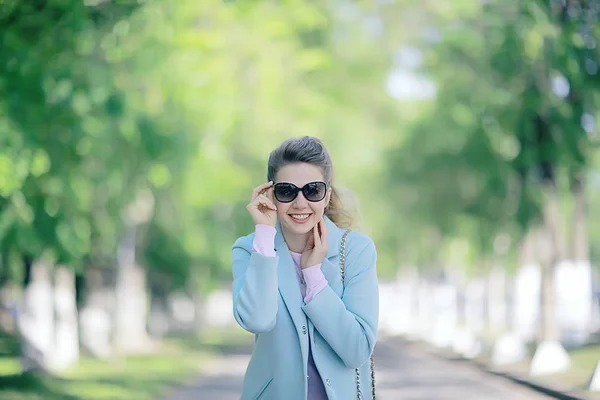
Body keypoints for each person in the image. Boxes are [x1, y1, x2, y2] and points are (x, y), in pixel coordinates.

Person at [231, 136, 379, 400]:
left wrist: (314, 277)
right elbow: (257, 320)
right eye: (287, 191)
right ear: (271, 194)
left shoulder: (356, 251)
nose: (300, 203)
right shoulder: (250, 249)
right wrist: (264, 235)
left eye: (312, 190)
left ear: (327, 195)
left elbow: (357, 349)